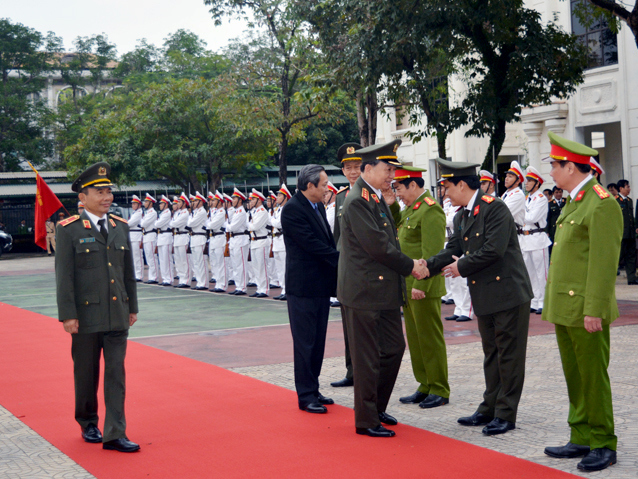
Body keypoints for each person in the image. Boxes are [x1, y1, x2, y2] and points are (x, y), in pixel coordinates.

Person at [424, 158, 532, 436]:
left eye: (447, 186)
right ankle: (489, 407)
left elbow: (493, 250)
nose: (444, 193)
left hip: (508, 292)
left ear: (461, 184)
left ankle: (506, 413)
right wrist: (427, 266)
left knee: (508, 355)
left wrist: (461, 266)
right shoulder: (462, 216)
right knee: (491, 353)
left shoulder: (495, 209)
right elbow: (454, 248)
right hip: (484, 293)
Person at [541, 132, 622, 472]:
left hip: (585, 308)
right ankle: (581, 435)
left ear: (571, 167)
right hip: (564, 305)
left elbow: (603, 263)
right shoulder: (573, 201)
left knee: (592, 376)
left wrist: (594, 309)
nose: (552, 173)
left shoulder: (601, 203)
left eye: (555, 166)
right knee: (575, 375)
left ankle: (603, 442)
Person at [337, 139, 427, 438]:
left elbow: (389, 241)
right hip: (364, 292)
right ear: (368, 168)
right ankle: (365, 419)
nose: (392, 175)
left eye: (392, 169)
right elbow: (378, 247)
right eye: (387, 169)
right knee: (366, 358)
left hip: (383, 290)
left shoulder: (375, 197)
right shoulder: (358, 200)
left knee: (393, 348)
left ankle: (375, 406)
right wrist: (412, 265)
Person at [55, 162, 140, 453]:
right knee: (86, 372)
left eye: (108, 191)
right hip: (86, 316)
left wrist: (133, 306)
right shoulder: (68, 230)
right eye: (100, 192)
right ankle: (88, 421)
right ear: (83, 197)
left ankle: (116, 432)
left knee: (116, 373)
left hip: (118, 314)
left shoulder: (120, 227)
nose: (107, 197)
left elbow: (128, 271)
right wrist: (68, 314)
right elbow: (64, 276)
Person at [281, 164, 339, 414]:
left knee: (317, 342)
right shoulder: (293, 209)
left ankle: (313, 388)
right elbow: (312, 244)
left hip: (319, 286)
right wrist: (342, 259)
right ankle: (305, 395)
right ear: (309, 185)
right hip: (303, 287)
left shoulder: (318, 206)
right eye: (324, 184)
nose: (327, 189)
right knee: (305, 343)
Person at [390, 166, 449, 409]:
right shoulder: (411, 210)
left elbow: (433, 254)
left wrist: (420, 285)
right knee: (415, 339)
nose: (399, 194)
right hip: (408, 286)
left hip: (422, 286)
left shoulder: (430, 211)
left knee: (430, 338)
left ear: (413, 185)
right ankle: (424, 384)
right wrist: (392, 203)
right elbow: (395, 224)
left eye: (400, 189)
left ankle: (439, 388)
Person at [330, 142, 363, 389]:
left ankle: (364, 372)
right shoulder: (341, 197)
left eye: (357, 166)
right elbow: (337, 236)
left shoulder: (369, 195)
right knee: (347, 323)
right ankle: (351, 371)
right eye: (348, 167)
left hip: (364, 269)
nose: (353, 172)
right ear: (343, 171)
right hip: (345, 268)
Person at [520, 166, 551, 314]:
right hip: (526, 239)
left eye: (530, 181)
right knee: (530, 272)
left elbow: (532, 218)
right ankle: (535, 300)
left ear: (537, 184)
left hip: (538, 238)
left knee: (541, 272)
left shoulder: (541, 199)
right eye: (527, 180)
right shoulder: (527, 199)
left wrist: (520, 213)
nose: (526, 183)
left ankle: (544, 302)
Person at [247, 189, 270, 298]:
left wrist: (249, 225)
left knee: (262, 267)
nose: (251, 201)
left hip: (261, 241)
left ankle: (264, 289)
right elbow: (251, 226)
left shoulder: (262, 212)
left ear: (259, 200)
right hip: (254, 241)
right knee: (256, 267)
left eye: (253, 199)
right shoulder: (254, 212)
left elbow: (254, 227)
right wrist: (250, 225)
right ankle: (259, 288)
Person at [227, 188, 250, 295]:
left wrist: (225, 225)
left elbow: (232, 227)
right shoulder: (236, 211)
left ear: (240, 200)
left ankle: (242, 287)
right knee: (236, 264)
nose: (232, 200)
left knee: (241, 265)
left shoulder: (241, 212)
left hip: (240, 239)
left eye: (234, 198)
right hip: (234, 240)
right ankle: (238, 286)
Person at [270, 184, 290, 300]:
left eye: (279, 195)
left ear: (285, 197)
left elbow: (278, 223)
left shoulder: (287, 208)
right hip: (276, 241)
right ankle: (283, 289)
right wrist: (273, 220)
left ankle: (287, 289)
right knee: (279, 268)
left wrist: (272, 220)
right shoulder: (278, 210)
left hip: (283, 241)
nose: (277, 197)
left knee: (284, 267)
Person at [616, 179, 637, 285]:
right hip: (621, 234)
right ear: (621, 188)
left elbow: (631, 218)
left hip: (630, 234)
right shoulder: (615, 201)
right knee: (617, 257)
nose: (629, 189)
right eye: (627, 187)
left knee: (631, 256)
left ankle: (632, 278)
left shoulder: (629, 201)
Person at [187, 192, 209, 290]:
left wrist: (190, 221)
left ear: (200, 202)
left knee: (201, 262)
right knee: (196, 262)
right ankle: (199, 282)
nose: (193, 202)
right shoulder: (195, 212)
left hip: (200, 237)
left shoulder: (201, 212)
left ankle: (203, 283)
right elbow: (190, 223)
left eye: (196, 201)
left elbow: (190, 223)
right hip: (194, 238)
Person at [169, 193, 191, 288]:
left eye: (180, 202)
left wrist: (172, 223)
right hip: (177, 237)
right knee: (178, 260)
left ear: (184, 203)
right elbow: (172, 223)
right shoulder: (178, 213)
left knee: (184, 260)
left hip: (183, 236)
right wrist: (172, 223)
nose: (177, 203)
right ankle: (182, 279)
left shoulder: (185, 213)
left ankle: (186, 280)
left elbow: (175, 224)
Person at [208, 191, 228, 293]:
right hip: (214, 239)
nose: (213, 202)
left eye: (215, 200)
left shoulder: (221, 212)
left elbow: (212, 225)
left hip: (219, 238)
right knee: (215, 263)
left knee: (221, 263)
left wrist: (208, 224)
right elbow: (209, 223)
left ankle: (222, 284)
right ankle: (218, 283)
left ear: (220, 202)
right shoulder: (215, 212)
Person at [155, 195, 174, 286]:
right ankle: (165, 278)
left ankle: (169, 278)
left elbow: (158, 224)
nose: (160, 205)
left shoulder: (167, 213)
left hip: (166, 236)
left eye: (162, 203)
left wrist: (156, 223)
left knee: (167, 259)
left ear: (166, 204)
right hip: (161, 236)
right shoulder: (163, 213)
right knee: (162, 259)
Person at [501, 160, 526, 231]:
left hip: (514, 234)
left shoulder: (518, 194)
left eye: (510, 176)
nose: (506, 178)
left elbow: (504, 212)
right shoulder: (506, 193)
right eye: (506, 176)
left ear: (518, 181)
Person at [140, 194, 159, 284]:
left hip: (151, 235)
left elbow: (143, 224)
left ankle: (154, 277)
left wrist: (142, 221)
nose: (145, 203)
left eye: (147, 202)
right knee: (148, 257)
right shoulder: (147, 213)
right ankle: (151, 276)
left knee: (152, 257)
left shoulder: (152, 213)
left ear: (151, 203)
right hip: (146, 236)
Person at [127, 195, 144, 281]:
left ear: (139, 205)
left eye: (134, 204)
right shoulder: (134, 213)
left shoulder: (138, 213)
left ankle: (139, 275)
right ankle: (135, 274)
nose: (132, 205)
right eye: (132, 204)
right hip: (132, 236)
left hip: (137, 236)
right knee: (133, 257)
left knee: (138, 257)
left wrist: (124, 223)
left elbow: (130, 223)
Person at [546, 186, 565, 256]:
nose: (558, 194)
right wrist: (547, 231)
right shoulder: (550, 204)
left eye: (560, 192)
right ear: (553, 194)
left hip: (564, 227)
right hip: (553, 229)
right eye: (556, 192)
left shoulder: (566, 202)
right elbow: (547, 218)